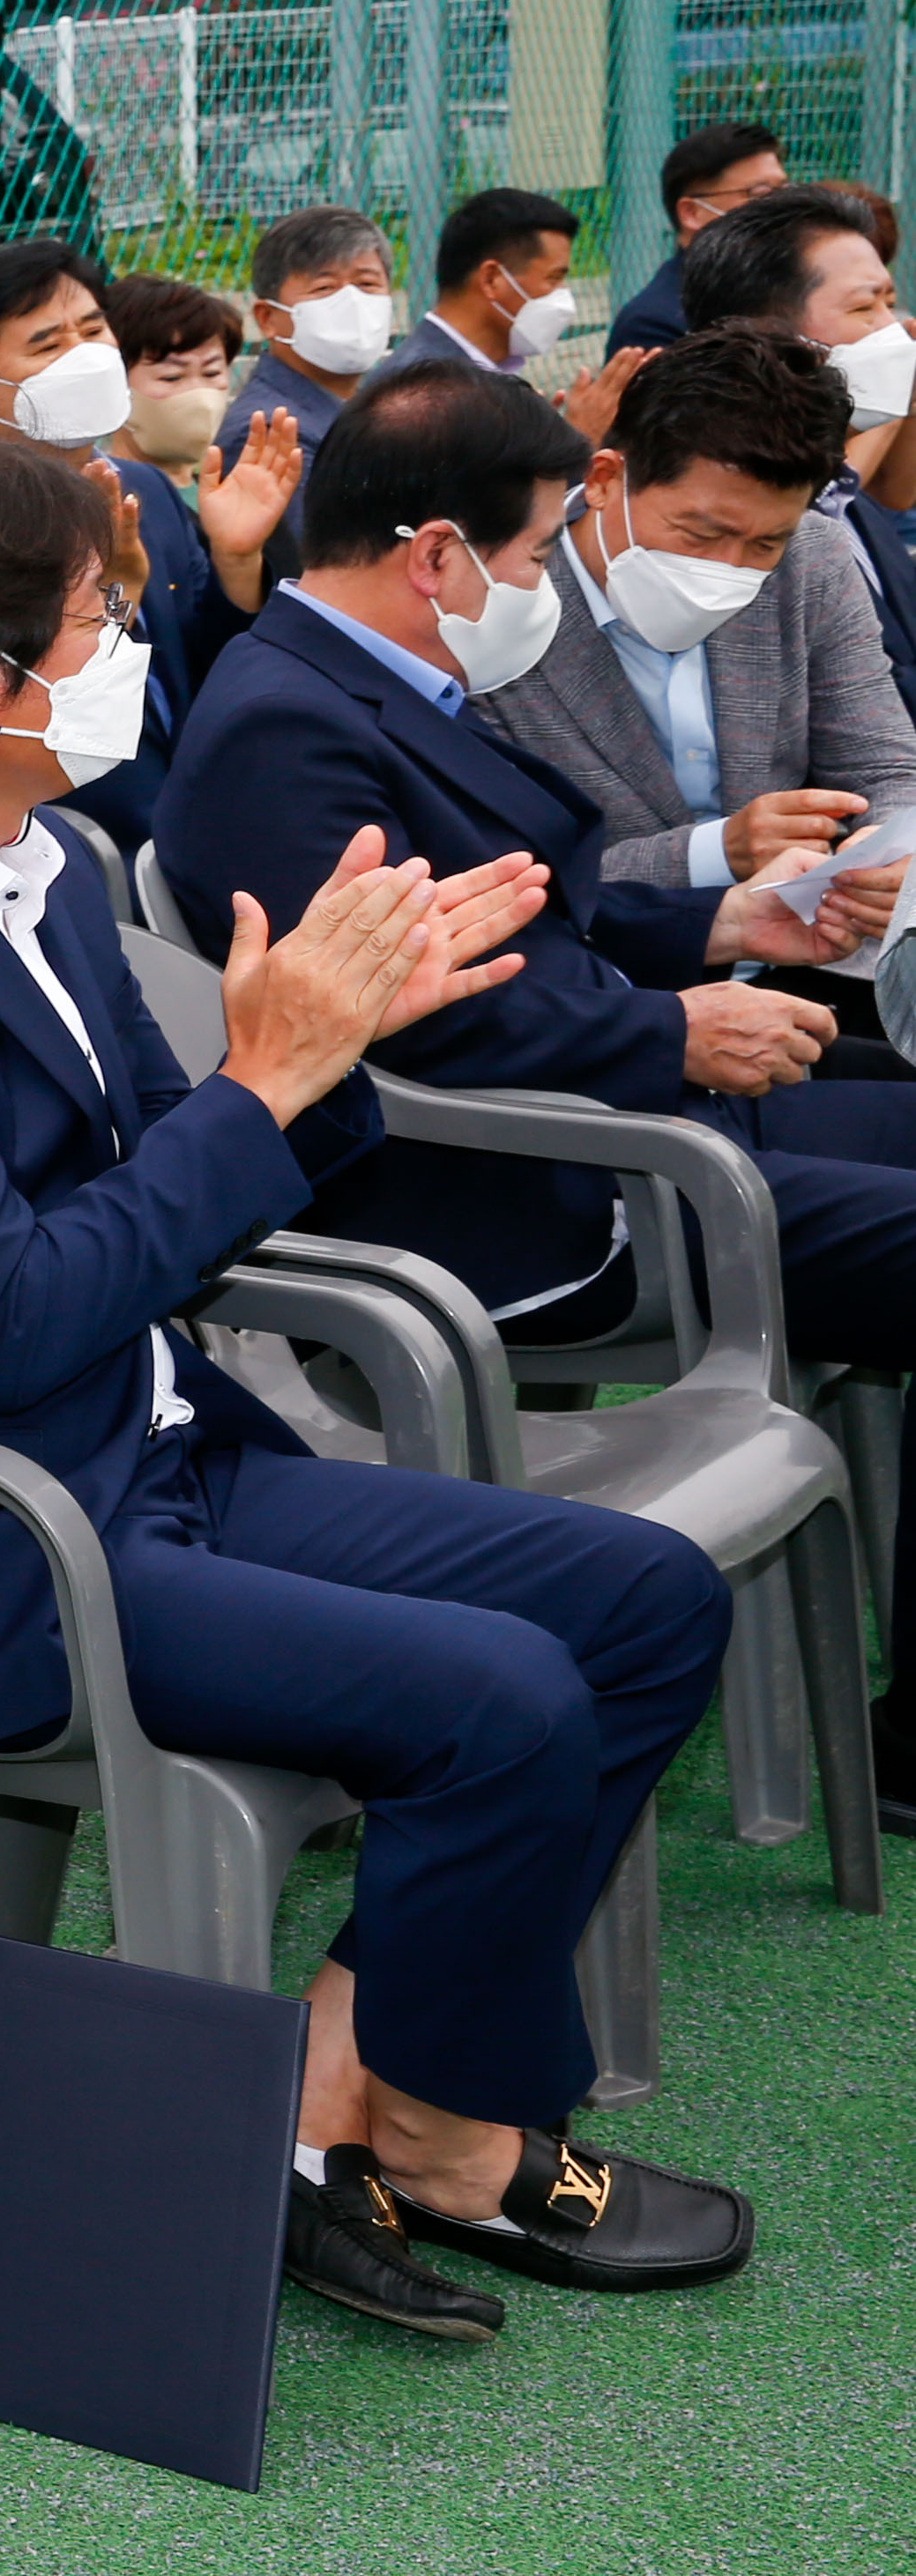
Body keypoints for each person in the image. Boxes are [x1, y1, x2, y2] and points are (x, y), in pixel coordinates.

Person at [0, 427, 751, 2342]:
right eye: (95, 619)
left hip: (142, 1453)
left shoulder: (31, 863)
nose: (135, 644)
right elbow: (15, 1317)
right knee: (503, 1701)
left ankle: (345, 2091)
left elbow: (182, 1183)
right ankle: (449, 2138)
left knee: (646, 1600)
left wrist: (330, 1052)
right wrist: (268, 1077)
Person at [160, 360, 916, 1846]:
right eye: (528, 556)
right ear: (436, 554)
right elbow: (416, 1016)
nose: (539, 588)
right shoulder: (288, 726)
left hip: (617, 1123)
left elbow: (511, 919)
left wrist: (719, 928)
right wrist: (670, 1029)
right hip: (530, 1193)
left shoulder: (367, 685)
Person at [467, 322, 916, 1042]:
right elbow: (507, 878)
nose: (728, 569)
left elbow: (884, 764)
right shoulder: (493, 605)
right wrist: (714, 852)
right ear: (605, 479)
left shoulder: (812, 558)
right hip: (609, 1000)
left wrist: (891, 859)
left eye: (764, 542)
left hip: (823, 969)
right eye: (699, 533)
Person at [0, 236, 299, 853]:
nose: (85, 356)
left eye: (94, 329)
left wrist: (237, 560)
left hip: (195, 819)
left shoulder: (144, 487)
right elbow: (20, 709)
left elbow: (207, 662)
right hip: (74, 843)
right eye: (47, 344)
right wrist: (114, 599)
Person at [681, 182, 916, 724]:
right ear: (767, 335)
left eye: (889, 302)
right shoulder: (731, 531)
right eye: (864, 307)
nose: (896, 333)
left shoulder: (840, 487)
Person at [366, 189, 647, 442]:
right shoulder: (424, 396)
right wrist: (580, 443)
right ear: (492, 279)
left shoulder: (476, 376)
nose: (563, 295)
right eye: (553, 278)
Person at [219, 204, 396, 510]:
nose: (352, 303)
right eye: (324, 288)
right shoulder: (270, 433)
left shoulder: (366, 408)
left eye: (367, 284)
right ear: (267, 318)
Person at [611, 119, 792, 357]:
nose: (782, 205)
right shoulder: (654, 325)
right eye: (761, 194)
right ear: (692, 212)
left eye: (785, 190)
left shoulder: (789, 290)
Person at [104, 271, 246, 491]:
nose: (200, 397)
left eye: (212, 373)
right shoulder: (105, 499)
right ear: (114, 383)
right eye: (172, 377)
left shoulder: (230, 494)